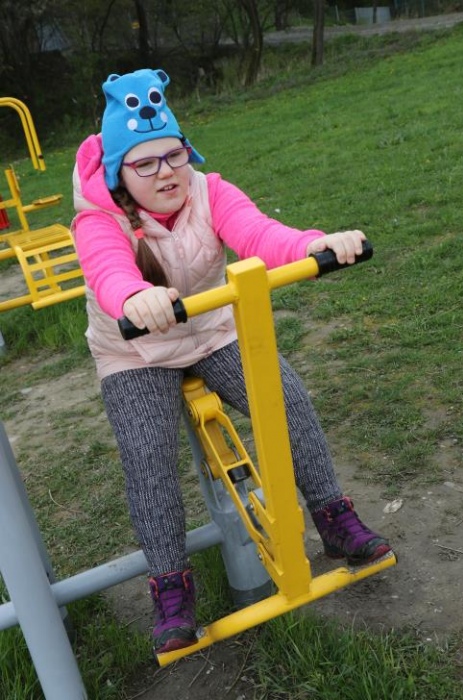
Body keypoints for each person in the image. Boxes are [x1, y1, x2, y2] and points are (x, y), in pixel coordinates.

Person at [72, 67, 393, 656]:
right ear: (119, 173)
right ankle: (171, 586)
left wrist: (312, 244)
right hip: (135, 349)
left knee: (286, 400)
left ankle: (333, 517)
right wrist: (134, 297)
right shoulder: (99, 219)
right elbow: (107, 270)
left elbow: (260, 234)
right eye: (145, 164)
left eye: (174, 155)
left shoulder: (210, 191)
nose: (166, 172)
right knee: (148, 457)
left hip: (212, 330)